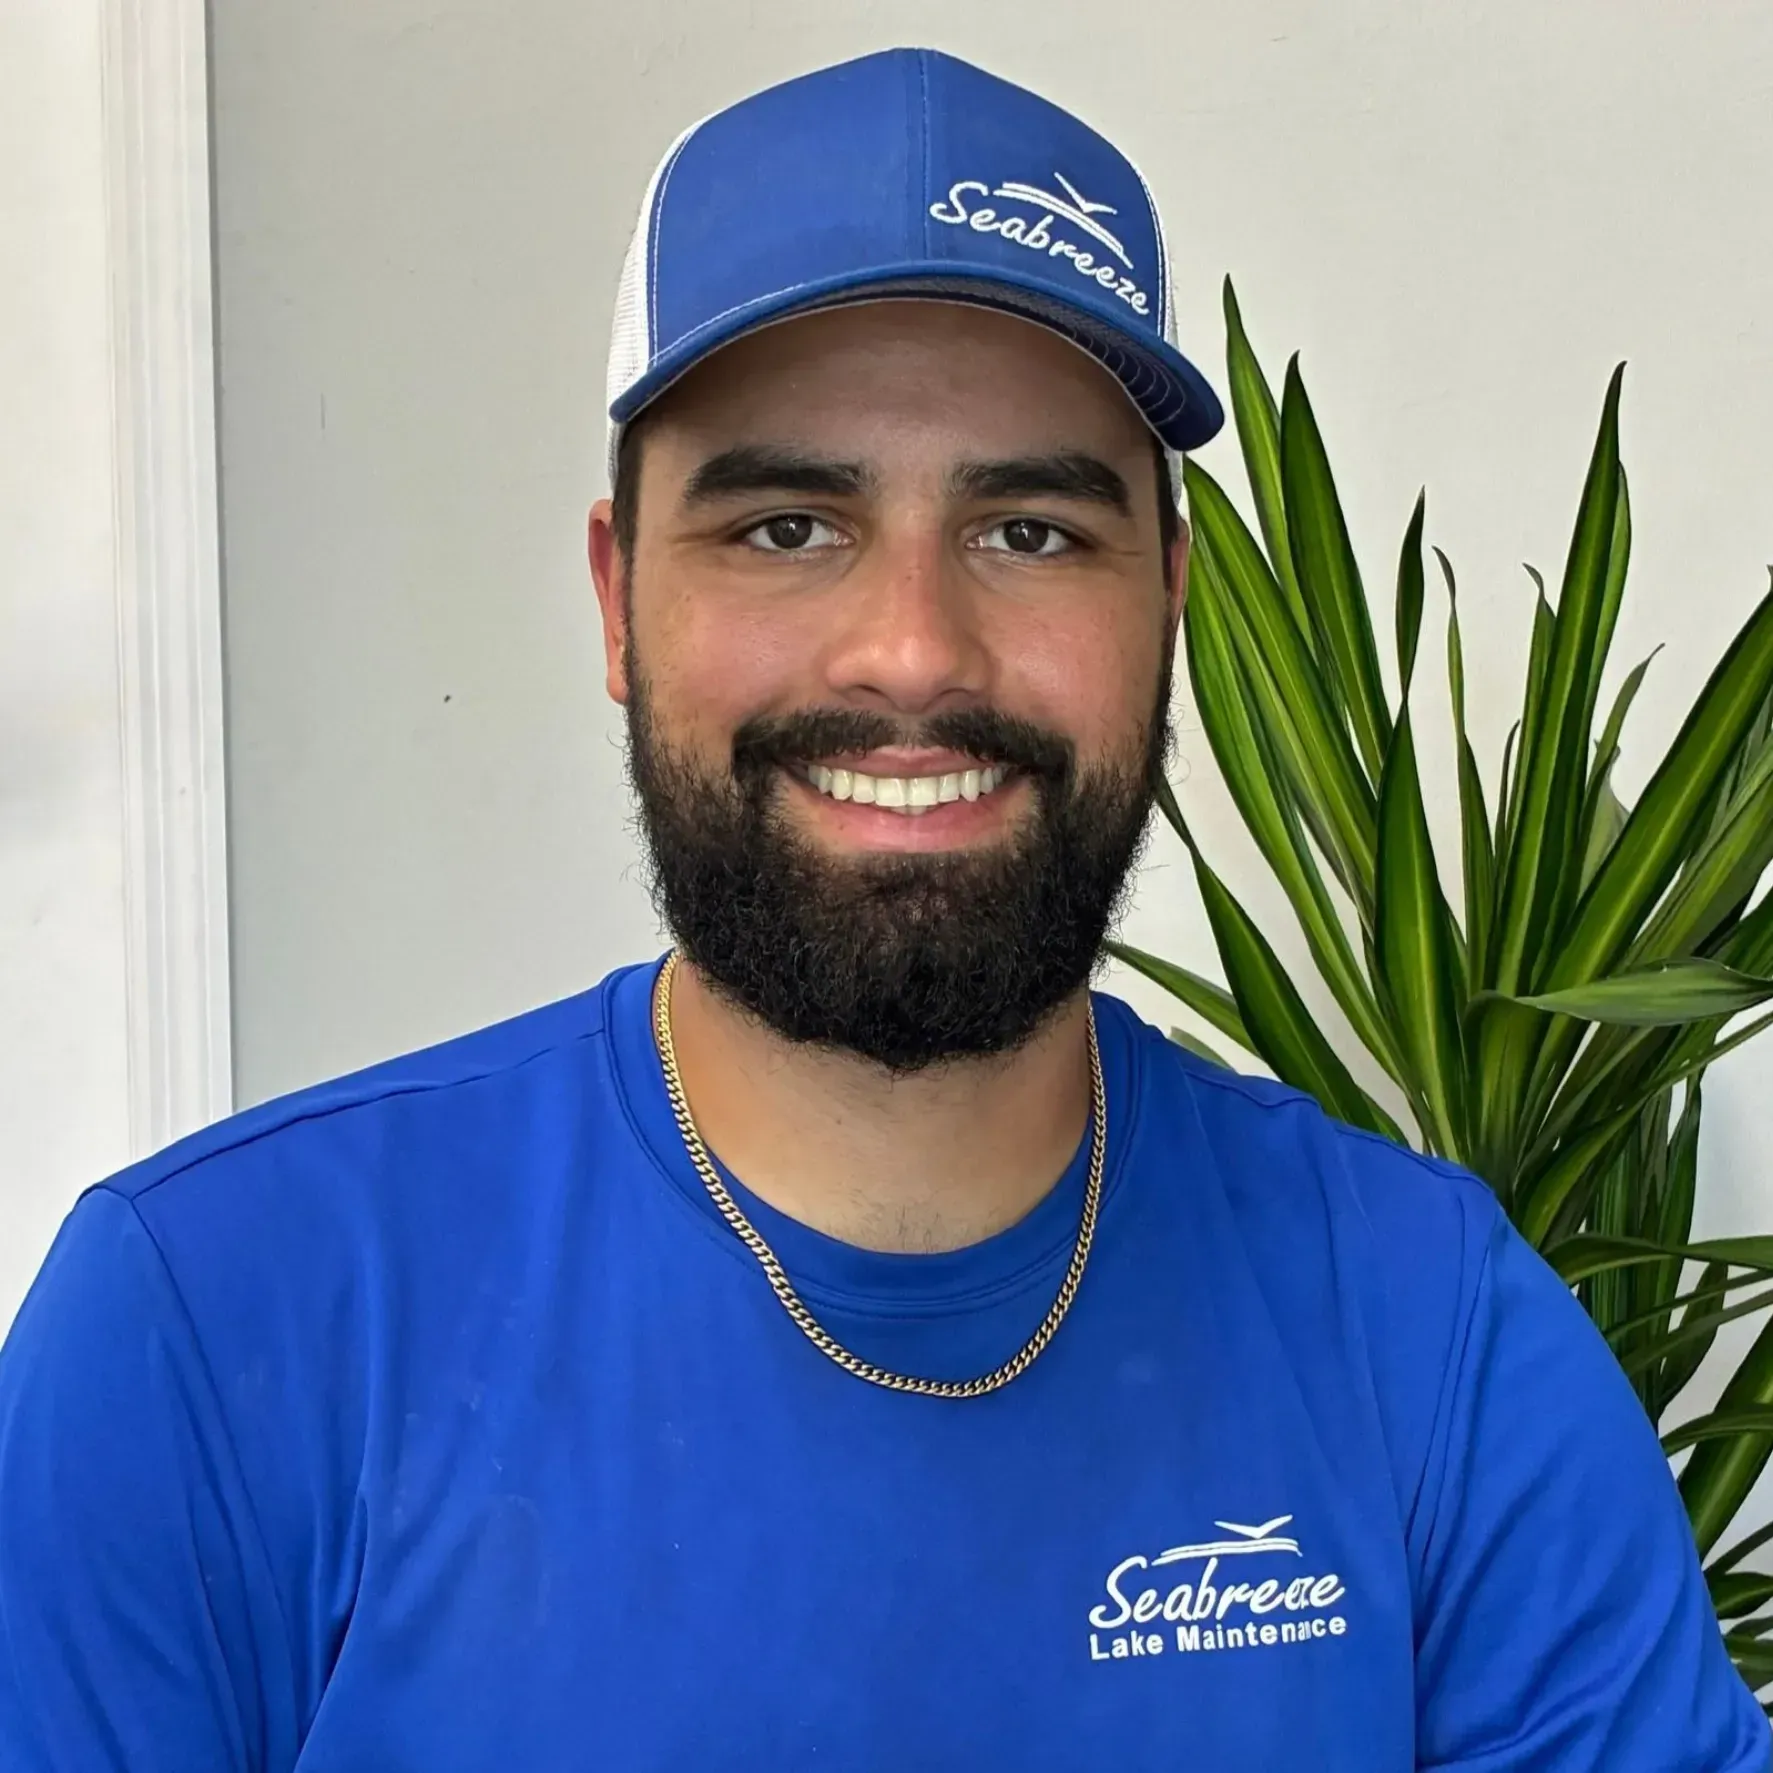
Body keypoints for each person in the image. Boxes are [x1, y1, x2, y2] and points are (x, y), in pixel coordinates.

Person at [0, 44, 1764, 1772]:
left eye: (1030, 534)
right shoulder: (209, 1336)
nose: (914, 650)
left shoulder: (1438, 1342)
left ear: (1172, 599)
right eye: (785, 526)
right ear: (620, 605)